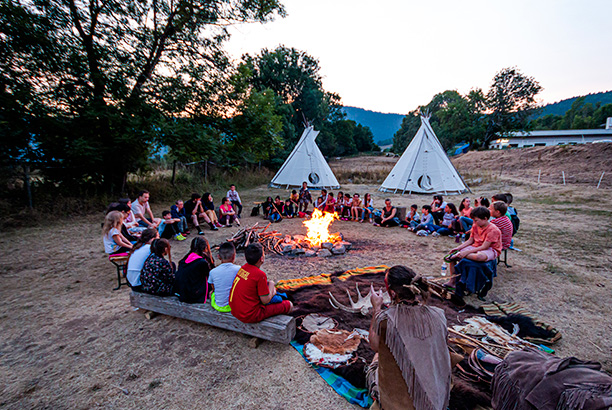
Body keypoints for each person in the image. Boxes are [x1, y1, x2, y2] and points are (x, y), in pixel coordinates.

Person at [367, 265, 451, 410]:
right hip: (437, 398)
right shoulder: (439, 314)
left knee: (376, 359)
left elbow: (374, 345)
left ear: (392, 293)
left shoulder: (387, 320)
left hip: (402, 402)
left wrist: (376, 308)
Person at [229, 243, 293, 323]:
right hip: (249, 315)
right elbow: (265, 300)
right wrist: (272, 284)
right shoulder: (260, 275)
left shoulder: (243, 268)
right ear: (262, 258)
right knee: (289, 305)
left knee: (269, 288)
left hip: (235, 310)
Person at [446, 206, 502, 286]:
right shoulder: (476, 225)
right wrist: (458, 248)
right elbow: (470, 240)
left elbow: (484, 247)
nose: (474, 222)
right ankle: (453, 280)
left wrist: (465, 252)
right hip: (476, 246)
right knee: (452, 257)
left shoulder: (493, 230)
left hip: (490, 249)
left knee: (479, 257)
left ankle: (460, 255)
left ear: (485, 219)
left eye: (476, 220)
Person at [174, 237, 215, 303]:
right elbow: (210, 275)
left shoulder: (186, 258)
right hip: (192, 295)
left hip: (182, 291)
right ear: (205, 248)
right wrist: (209, 259)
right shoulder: (201, 262)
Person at [208, 242, 241, 312]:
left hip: (219, 305)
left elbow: (213, 288)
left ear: (218, 256)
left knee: (212, 293)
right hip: (234, 305)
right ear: (234, 256)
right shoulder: (239, 269)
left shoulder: (213, 272)